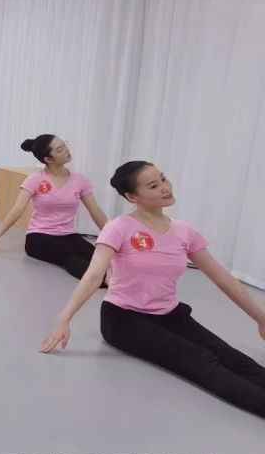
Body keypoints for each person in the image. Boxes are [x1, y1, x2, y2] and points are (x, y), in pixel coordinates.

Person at [40, 161, 265, 418]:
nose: (165, 188)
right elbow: (93, 275)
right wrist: (64, 318)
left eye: (163, 179)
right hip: (124, 319)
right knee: (201, 361)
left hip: (171, 315)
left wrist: (260, 317)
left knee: (232, 358)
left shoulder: (184, 232)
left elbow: (223, 278)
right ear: (132, 197)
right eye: (153, 186)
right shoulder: (119, 228)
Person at [0, 134, 108, 282]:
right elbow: (17, 210)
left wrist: (113, 237)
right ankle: (106, 281)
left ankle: (112, 277)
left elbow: (96, 211)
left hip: (69, 235)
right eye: (59, 150)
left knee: (100, 257)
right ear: (48, 159)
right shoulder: (35, 179)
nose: (66, 150)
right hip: (39, 237)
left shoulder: (79, 180)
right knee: (72, 257)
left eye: (64, 145)